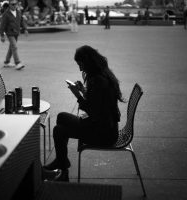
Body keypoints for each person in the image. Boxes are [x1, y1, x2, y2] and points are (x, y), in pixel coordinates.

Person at [43, 45, 125, 181]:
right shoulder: (103, 74)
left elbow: (93, 110)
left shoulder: (98, 80)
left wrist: (78, 95)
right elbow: (98, 103)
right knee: (61, 116)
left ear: (88, 62)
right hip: (105, 126)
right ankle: (62, 163)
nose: (80, 69)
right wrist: (84, 91)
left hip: (103, 134)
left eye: (80, 65)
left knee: (59, 129)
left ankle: (62, 165)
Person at [0, 0, 28, 70]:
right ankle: (17, 63)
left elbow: (22, 21)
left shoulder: (18, 12)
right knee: (14, 46)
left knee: (11, 47)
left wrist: (25, 29)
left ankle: (7, 62)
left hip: (16, 33)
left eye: (15, 4)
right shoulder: (6, 14)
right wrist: (2, 35)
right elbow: (2, 26)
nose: (14, 5)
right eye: (12, 4)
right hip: (9, 33)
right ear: (9, 5)